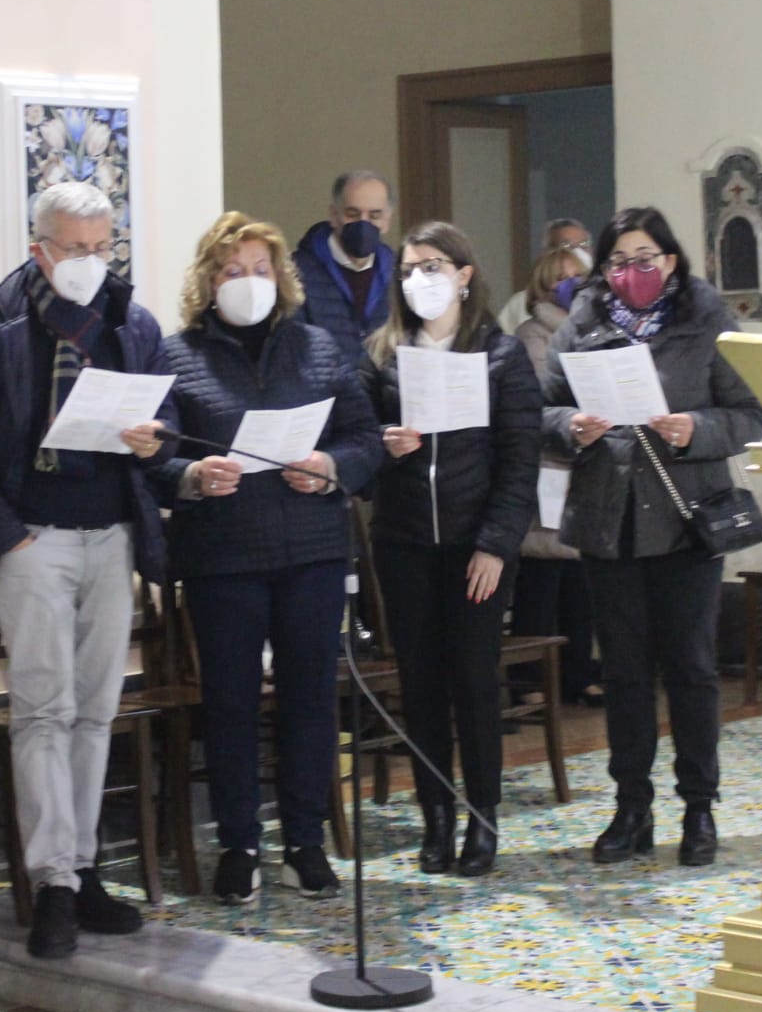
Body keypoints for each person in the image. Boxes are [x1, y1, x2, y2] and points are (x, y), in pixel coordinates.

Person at [0, 182, 176, 961]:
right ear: (39, 248)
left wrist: (156, 439)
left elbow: (167, 421)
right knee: (43, 710)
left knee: (96, 711)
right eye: (75, 248)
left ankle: (84, 866)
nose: (90, 262)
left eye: (102, 247)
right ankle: (51, 884)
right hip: (32, 538)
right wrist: (7, 536)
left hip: (112, 535)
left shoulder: (133, 320)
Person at [158, 212, 384, 905]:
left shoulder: (317, 347)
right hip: (222, 556)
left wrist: (330, 466)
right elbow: (153, 454)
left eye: (260, 269)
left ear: (280, 277)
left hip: (311, 551)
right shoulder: (174, 356)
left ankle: (305, 843)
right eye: (233, 270)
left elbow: (363, 437)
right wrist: (190, 476)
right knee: (230, 703)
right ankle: (239, 844)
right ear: (208, 281)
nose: (248, 281)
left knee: (310, 699)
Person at [540, 208, 762, 869]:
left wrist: (697, 428)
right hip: (609, 521)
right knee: (624, 673)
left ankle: (699, 806)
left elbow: (752, 413)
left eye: (644, 259)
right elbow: (540, 409)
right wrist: (570, 427)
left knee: (692, 669)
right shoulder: (582, 321)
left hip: (685, 519)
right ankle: (631, 808)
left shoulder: (708, 318)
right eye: (617, 262)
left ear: (669, 260)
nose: (630, 273)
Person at [359, 222, 540, 877]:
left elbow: (520, 462)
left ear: (464, 275)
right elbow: (357, 443)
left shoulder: (502, 355)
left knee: (474, 679)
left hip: (476, 545)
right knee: (421, 682)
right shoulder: (381, 353)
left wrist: (495, 545)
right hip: (405, 542)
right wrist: (384, 444)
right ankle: (435, 816)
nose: (420, 279)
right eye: (409, 268)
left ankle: (481, 817)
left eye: (433, 266)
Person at [509, 244, 601, 710]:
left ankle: (577, 673)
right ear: (544, 287)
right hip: (548, 465)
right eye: (561, 278)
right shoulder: (533, 335)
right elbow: (543, 397)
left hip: (588, 465)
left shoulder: (596, 332)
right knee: (541, 580)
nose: (571, 287)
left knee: (579, 581)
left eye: (579, 278)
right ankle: (529, 677)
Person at [293, 170, 398, 371]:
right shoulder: (296, 273)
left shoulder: (400, 275)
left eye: (374, 215)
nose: (364, 223)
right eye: (353, 214)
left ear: (387, 221)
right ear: (334, 215)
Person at [496, 219, 592, 333]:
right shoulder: (519, 304)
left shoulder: (600, 298)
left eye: (584, 244)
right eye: (566, 245)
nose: (577, 251)